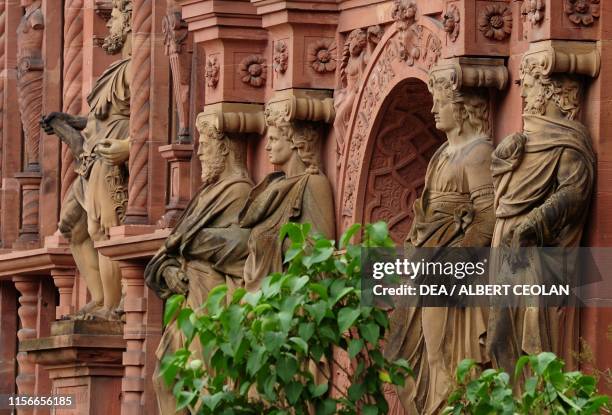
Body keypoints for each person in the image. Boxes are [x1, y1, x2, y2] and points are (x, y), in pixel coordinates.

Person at [385, 70, 495, 414]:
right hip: (425, 259)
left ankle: (445, 406)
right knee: (403, 352)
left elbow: (487, 215)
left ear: (461, 108)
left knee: (440, 352)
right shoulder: (442, 154)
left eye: (441, 102)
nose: (433, 109)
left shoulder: (478, 153)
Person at [40, 0, 133, 320]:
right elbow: (100, 116)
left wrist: (129, 146)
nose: (110, 24)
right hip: (90, 156)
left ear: (132, 20)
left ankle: (111, 305)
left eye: (117, 16)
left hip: (108, 153)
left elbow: (157, 121)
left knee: (104, 229)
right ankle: (97, 296)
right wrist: (70, 122)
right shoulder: (116, 68)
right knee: (72, 226)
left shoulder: (143, 65)